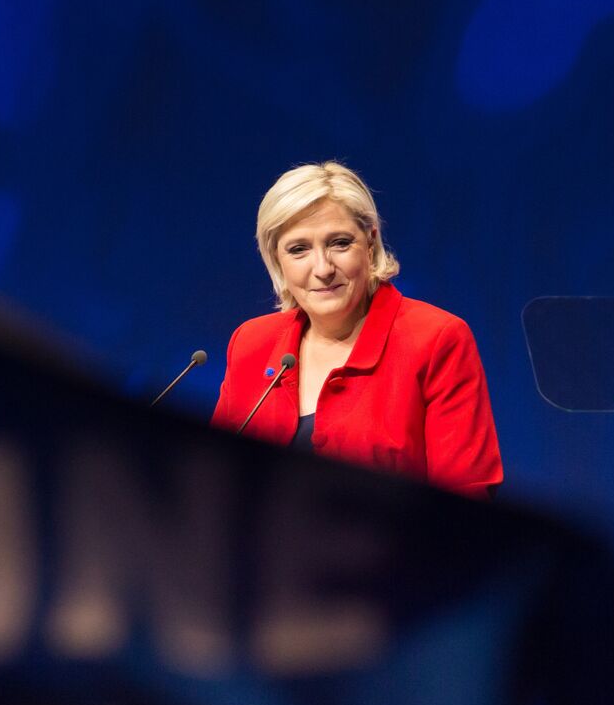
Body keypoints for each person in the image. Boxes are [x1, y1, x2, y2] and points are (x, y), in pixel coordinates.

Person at [210, 161, 503, 498]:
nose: (322, 268)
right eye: (299, 249)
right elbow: (216, 485)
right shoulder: (252, 343)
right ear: (276, 260)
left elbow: (467, 506)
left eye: (339, 243)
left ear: (370, 243)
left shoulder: (437, 340)